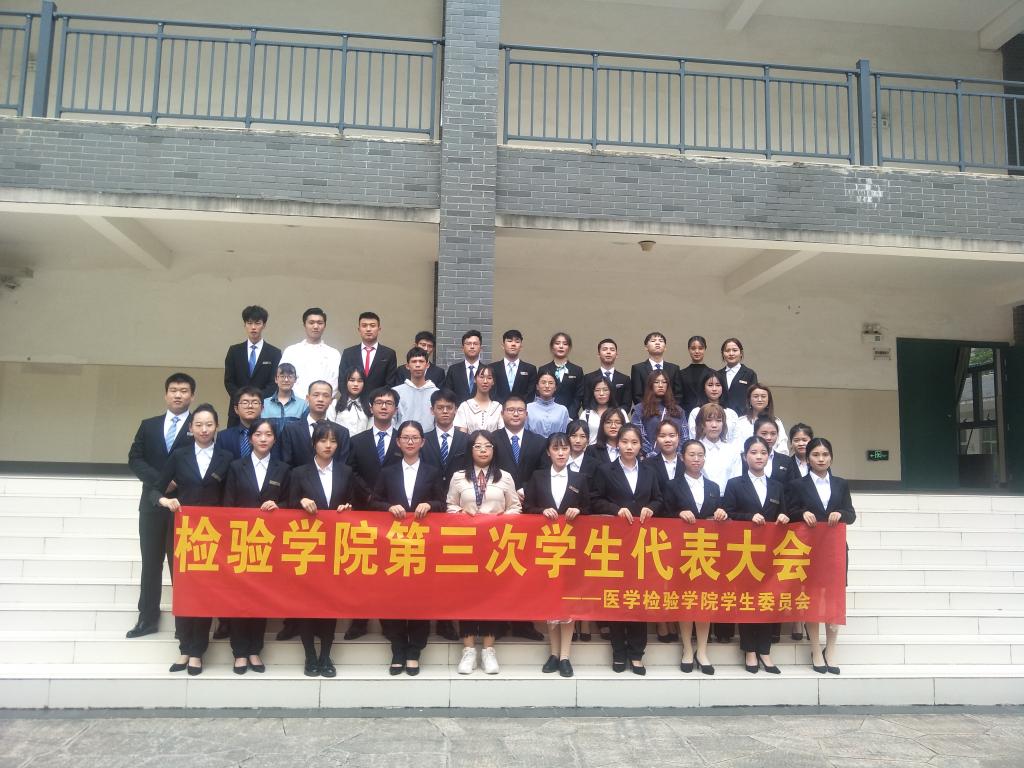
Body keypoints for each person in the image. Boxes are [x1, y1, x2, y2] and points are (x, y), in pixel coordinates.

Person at [155, 403, 233, 676]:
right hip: (182, 533)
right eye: (198, 425)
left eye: (209, 424)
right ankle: (184, 647)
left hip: (213, 535)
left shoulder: (226, 457)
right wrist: (166, 500)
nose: (204, 429)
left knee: (204, 592)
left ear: (217, 427)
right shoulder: (179, 456)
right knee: (183, 590)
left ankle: (198, 650)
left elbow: (230, 496)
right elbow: (155, 489)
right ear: (190, 428)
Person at [372, 421, 445, 676]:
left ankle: (414, 651)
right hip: (393, 547)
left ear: (423, 442)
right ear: (398, 442)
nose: (410, 442)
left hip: (423, 547)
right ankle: (397, 649)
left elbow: (443, 503)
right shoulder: (388, 472)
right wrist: (388, 507)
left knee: (420, 598)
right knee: (391, 598)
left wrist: (430, 505)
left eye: (415, 438)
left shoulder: (432, 471)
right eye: (406, 437)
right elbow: (374, 501)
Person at [126, 372, 195, 639]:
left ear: (192, 396)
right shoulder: (149, 425)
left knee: (181, 564)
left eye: (184, 391)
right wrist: (161, 482)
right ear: (166, 394)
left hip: (184, 506)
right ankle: (147, 617)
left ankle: (185, 622)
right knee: (151, 561)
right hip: (152, 504)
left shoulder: (199, 426)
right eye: (173, 390)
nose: (178, 395)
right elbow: (135, 458)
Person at [447, 430, 522, 674]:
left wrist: (501, 518)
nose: (483, 450)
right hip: (466, 546)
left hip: (495, 546)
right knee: (465, 595)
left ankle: (489, 649)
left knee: (493, 595)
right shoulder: (459, 477)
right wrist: (461, 513)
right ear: (470, 450)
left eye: (488, 446)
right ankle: (468, 649)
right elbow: (449, 506)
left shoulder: (505, 477)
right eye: (478, 446)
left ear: (494, 450)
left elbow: (516, 508)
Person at [589, 424, 663, 674]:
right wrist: (614, 510)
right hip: (615, 544)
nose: (629, 447)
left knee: (638, 598)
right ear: (617, 444)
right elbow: (595, 500)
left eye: (634, 442)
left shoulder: (650, 470)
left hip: (643, 544)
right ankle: (618, 651)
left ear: (641, 445)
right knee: (617, 598)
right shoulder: (605, 470)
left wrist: (651, 507)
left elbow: (659, 498)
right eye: (625, 442)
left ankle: (637, 653)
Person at [649, 434, 725, 675]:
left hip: (707, 552)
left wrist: (722, 514)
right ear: (682, 458)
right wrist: (678, 515)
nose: (696, 459)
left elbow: (720, 517)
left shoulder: (714, 487)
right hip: (681, 552)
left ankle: (702, 650)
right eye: (691, 455)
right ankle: (687, 649)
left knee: (704, 600)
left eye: (700, 455)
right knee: (685, 600)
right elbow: (663, 516)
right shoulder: (672, 486)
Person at [287, 422, 357, 677]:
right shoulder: (299, 472)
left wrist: (347, 508)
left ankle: (326, 656)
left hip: (334, 548)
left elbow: (354, 503)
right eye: (323, 440)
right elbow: (287, 505)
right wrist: (300, 501)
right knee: (306, 604)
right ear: (313, 443)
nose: (328, 445)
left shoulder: (346, 472)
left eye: (333, 441)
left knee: (330, 604)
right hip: (307, 548)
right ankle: (310, 656)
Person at [222, 417, 290, 675]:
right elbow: (227, 504)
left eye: (268, 434)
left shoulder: (282, 469)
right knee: (239, 598)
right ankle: (239, 652)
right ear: (250, 438)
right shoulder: (236, 466)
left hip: (268, 543)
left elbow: (290, 502)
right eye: (258, 434)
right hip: (240, 542)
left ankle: (254, 650)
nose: (263, 438)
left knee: (260, 597)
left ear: (274, 439)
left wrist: (279, 506)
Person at [787, 437, 856, 675]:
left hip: (835, 549)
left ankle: (831, 650)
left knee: (834, 598)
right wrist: (802, 513)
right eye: (816, 455)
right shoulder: (797, 485)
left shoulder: (841, 484)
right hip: (809, 550)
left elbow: (851, 514)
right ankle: (816, 649)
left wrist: (840, 513)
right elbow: (789, 511)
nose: (821, 459)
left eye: (825, 454)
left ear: (831, 458)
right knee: (813, 598)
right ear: (808, 459)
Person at [524, 432, 588, 678]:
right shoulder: (538, 477)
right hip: (547, 548)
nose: (561, 453)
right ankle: (553, 652)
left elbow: (590, 507)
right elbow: (527, 507)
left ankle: (565, 656)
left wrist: (578, 510)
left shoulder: (580, 478)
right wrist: (541, 511)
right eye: (556, 448)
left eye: (565, 448)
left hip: (572, 548)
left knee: (568, 601)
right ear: (548, 452)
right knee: (550, 600)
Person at [723, 436, 786, 675]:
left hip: (771, 554)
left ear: (769, 457)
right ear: (744, 456)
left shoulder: (777, 486)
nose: (759, 456)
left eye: (763, 452)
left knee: (768, 601)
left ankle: (765, 651)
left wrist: (784, 517)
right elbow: (728, 514)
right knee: (747, 601)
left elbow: (785, 514)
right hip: (745, 554)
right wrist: (749, 517)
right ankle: (749, 650)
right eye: (753, 452)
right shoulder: (734, 484)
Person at [343, 386, 401, 639]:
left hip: (395, 514)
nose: (384, 406)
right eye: (379, 402)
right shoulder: (357, 441)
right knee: (362, 568)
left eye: (389, 403)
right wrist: (370, 496)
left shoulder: (404, 439)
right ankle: (359, 620)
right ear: (371, 407)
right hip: (364, 512)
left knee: (391, 569)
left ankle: (389, 621)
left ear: (395, 409)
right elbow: (351, 472)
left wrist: (387, 502)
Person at [489, 395, 548, 641]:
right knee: (499, 566)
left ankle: (524, 622)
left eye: (520, 410)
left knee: (525, 568)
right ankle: (499, 621)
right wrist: (507, 492)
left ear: (526, 414)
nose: (515, 414)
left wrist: (525, 489)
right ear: (502, 413)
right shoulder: (492, 440)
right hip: (498, 511)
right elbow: (487, 468)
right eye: (511, 410)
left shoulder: (539, 441)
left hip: (529, 508)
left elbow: (543, 472)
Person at [419, 388, 468, 641]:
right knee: (427, 567)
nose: (445, 412)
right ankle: (425, 615)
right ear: (432, 410)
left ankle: (446, 620)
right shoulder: (422, 439)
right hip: (428, 509)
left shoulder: (465, 440)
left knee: (451, 568)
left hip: (457, 511)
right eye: (440, 407)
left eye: (449, 407)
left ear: (456, 410)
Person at [223, 305, 282, 427]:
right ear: (244, 325)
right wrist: (242, 400)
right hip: (237, 411)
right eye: (249, 323)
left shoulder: (274, 353)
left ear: (264, 325)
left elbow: (274, 383)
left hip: (263, 410)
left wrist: (256, 400)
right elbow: (229, 381)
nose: (253, 327)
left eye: (257, 323)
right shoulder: (234, 351)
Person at [279, 380, 352, 468]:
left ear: (331, 400)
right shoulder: (290, 430)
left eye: (326, 396)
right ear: (307, 398)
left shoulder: (342, 433)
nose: (320, 399)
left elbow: (342, 466)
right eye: (316, 395)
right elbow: (286, 464)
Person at [280, 307, 341, 397]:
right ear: (304, 325)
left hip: (324, 403)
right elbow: (283, 378)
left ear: (325, 326)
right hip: (295, 403)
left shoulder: (334, 354)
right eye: (311, 323)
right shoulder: (291, 351)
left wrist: (321, 398)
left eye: (320, 323)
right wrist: (299, 401)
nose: (315, 326)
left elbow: (335, 382)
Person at [630, 370, 687, 457]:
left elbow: (685, 437)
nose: (661, 385)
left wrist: (677, 455)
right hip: (648, 459)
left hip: (675, 458)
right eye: (656, 382)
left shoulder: (678, 410)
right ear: (650, 385)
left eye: (664, 382)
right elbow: (638, 435)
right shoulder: (639, 409)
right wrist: (651, 455)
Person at [339, 311, 398, 393]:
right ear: (359, 330)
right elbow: (342, 381)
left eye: (372, 326)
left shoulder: (389, 354)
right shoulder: (348, 353)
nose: (368, 329)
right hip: (353, 400)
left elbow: (390, 383)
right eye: (364, 326)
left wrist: (377, 399)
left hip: (379, 400)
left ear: (379, 329)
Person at [695, 403, 742, 493]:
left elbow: (736, 479)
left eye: (718, 420)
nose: (714, 425)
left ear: (723, 424)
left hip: (728, 498)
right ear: (701, 424)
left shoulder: (732, 450)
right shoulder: (694, 450)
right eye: (708, 420)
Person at [733, 384, 789, 456]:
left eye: (763, 396)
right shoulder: (741, 422)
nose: (760, 399)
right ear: (749, 400)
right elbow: (736, 446)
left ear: (768, 400)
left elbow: (782, 446)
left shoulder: (776, 421)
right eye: (756, 396)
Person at [538, 331, 584, 417]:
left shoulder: (577, 370)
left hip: (570, 417)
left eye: (565, 344)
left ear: (569, 348)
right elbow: (539, 394)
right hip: (546, 415)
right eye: (557, 343)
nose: (561, 346)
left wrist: (569, 415)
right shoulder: (543, 369)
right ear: (552, 347)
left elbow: (578, 396)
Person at [394, 347, 439, 431]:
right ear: (407, 366)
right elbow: (392, 420)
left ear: (427, 365)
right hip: (402, 437)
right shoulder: (396, 392)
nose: (418, 365)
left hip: (428, 437)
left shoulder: (436, 393)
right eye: (414, 361)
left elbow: (438, 421)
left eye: (421, 361)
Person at [686, 369, 739, 441]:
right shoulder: (696, 412)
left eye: (718, 385)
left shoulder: (731, 413)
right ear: (704, 388)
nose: (714, 389)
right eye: (710, 385)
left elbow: (736, 439)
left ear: (723, 388)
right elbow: (694, 438)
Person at [630, 331, 681, 405]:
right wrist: (648, 409)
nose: (657, 343)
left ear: (665, 348)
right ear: (646, 347)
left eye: (661, 341)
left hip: (670, 409)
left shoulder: (674, 369)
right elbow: (637, 395)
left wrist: (669, 409)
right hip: (646, 410)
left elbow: (678, 394)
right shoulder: (638, 369)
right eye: (653, 341)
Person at [489, 329, 538, 404]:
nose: (513, 344)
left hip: (522, 409)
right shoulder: (492, 368)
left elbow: (530, 394)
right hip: (497, 408)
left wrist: (517, 407)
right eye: (509, 341)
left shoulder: (530, 369)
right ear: (503, 345)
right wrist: (504, 406)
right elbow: (491, 391)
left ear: (521, 346)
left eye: (517, 342)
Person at [582, 338, 632, 410]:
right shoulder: (589, 378)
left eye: (612, 349)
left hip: (617, 416)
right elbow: (586, 403)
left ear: (617, 355)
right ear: (598, 354)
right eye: (604, 349)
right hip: (595, 415)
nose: (608, 352)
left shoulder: (625, 379)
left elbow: (627, 404)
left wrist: (615, 415)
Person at [453, 365, 503, 432]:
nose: (485, 381)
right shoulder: (465, 406)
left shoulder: (498, 407)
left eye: (489, 378)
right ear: (474, 379)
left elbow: (501, 433)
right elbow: (462, 434)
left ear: (493, 382)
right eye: (481, 377)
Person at [261, 363, 308, 432]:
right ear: (276, 379)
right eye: (282, 376)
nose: (286, 380)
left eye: (290, 376)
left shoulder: (303, 405)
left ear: (295, 379)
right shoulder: (265, 404)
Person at [718, 337, 758, 415]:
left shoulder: (749, 374)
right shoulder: (717, 374)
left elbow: (754, 397)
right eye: (727, 350)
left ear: (741, 353)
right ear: (723, 353)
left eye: (735, 350)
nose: (731, 353)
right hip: (720, 416)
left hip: (742, 417)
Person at [443, 329, 484, 404]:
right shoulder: (453, 370)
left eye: (475, 344)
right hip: (459, 410)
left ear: (480, 348)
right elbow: (448, 394)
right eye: (468, 344)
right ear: (462, 348)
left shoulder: (486, 370)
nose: (472, 346)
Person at [527, 371, 570, 438]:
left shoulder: (562, 410)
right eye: (543, 382)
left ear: (555, 387)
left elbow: (564, 435)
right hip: (533, 444)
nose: (547, 386)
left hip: (556, 444)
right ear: (537, 386)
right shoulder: (528, 408)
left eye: (551, 383)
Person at [330, 368, 371, 436]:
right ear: (346, 382)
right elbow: (330, 428)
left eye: (360, 381)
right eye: (352, 380)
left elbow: (370, 431)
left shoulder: (369, 406)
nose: (356, 384)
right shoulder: (335, 404)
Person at [676, 335, 711, 414]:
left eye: (700, 348)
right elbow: (678, 397)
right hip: (685, 413)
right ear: (689, 350)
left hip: (707, 413)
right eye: (693, 348)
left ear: (705, 349)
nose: (697, 351)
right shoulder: (680, 374)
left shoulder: (712, 373)